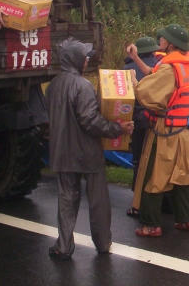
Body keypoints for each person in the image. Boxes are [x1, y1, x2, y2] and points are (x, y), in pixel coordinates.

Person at [45, 37, 134, 260]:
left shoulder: (53, 86)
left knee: (66, 200)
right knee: (98, 201)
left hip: (62, 152)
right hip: (87, 152)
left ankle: (63, 246)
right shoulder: (83, 86)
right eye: (84, 57)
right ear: (75, 59)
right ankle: (103, 243)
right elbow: (90, 121)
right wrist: (117, 128)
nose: (87, 60)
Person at [132, 24, 189, 237]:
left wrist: (134, 84)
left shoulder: (169, 68)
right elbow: (153, 74)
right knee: (181, 176)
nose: (159, 40)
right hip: (181, 132)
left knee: (154, 176)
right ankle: (188, 220)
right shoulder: (184, 64)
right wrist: (135, 58)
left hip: (164, 131)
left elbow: (148, 93)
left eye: (163, 38)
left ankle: (150, 225)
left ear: (171, 44)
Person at [122, 36, 161, 217]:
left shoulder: (127, 69)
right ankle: (157, 200)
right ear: (153, 50)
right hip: (157, 120)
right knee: (155, 161)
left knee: (138, 160)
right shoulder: (159, 67)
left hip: (137, 120)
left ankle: (137, 199)